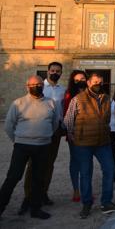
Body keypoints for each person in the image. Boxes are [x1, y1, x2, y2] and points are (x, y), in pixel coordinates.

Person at [64, 72, 115, 219]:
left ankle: (106, 202)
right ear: (89, 83)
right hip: (83, 143)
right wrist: (74, 135)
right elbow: (68, 120)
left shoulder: (106, 99)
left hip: (103, 142)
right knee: (85, 173)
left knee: (109, 169)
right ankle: (87, 203)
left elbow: (108, 119)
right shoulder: (77, 99)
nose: (98, 84)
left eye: (100, 82)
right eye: (95, 81)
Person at [0, 75, 58, 220]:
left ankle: (35, 209)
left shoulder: (51, 103)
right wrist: (18, 140)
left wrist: (45, 135)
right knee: (13, 177)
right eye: (33, 85)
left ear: (43, 86)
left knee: (38, 179)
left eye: (39, 84)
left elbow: (55, 123)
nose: (36, 87)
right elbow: (8, 126)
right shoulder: (18, 103)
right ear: (27, 86)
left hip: (43, 146)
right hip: (22, 147)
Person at [20, 62, 65, 214]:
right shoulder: (39, 86)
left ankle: (43, 193)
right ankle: (28, 197)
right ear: (47, 71)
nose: (55, 73)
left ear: (61, 73)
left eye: (58, 71)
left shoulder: (62, 90)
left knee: (49, 164)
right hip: (38, 130)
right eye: (52, 70)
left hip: (56, 131)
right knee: (33, 165)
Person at [64, 70, 88, 202]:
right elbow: (66, 116)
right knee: (75, 162)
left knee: (86, 163)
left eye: (83, 79)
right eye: (77, 80)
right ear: (72, 81)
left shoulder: (91, 94)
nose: (80, 82)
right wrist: (70, 133)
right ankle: (76, 190)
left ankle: (86, 189)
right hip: (74, 135)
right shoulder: (69, 95)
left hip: (88, 134)